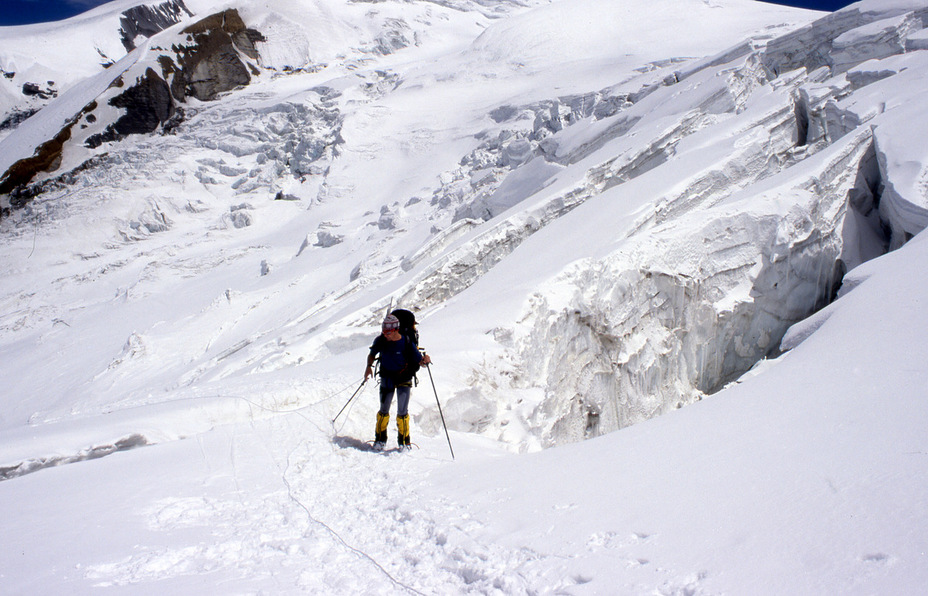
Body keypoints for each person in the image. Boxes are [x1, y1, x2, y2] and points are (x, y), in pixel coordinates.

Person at [365, 314, 431, 451]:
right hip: (387, 378)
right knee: (383, 411)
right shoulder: (381, 340)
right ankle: (380, 440)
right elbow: (372, 354)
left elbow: (419, 360)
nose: (385, 335)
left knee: (402, 412)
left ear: (395, 330)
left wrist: (425, 360)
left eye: (388, 332)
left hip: (403, 379)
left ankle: (404, 443)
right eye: (384, 332)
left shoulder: (406, 342)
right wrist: (368, 367)